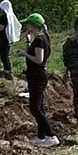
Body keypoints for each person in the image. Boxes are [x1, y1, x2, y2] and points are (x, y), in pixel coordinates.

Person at [21, 13, 59, 147]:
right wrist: (28, 42)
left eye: (28, 24)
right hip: (36, 76)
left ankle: (51, 136)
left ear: (33, 25)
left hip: (37, 76)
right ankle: (41, 136)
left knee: (35, 109)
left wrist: (24, 53)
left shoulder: (39, 40)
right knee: (40, 107)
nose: (26, 25)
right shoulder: (41, 39)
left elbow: (38, 59)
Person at [0, 0, 22, 77]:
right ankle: (8, 70)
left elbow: (0, 28)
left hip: (3, 38)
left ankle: (8, 72)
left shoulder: (3, 17)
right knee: (6, 55)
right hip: (8, 38)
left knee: (3, 56)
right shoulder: (10, 16)